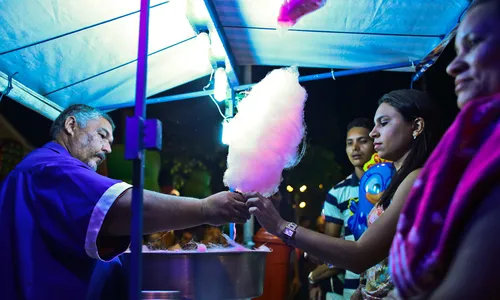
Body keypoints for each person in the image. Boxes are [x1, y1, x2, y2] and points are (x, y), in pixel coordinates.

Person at [0, 104, 250, 300]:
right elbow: (126, 207)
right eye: (102, 135)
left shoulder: (37, 166)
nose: (108, 148)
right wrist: (205, 208)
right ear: (71, 125)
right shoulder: (52, 167)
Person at [247, 89, 438, 299]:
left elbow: (361, 254)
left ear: (417, 126)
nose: (374, 132)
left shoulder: (417, 178)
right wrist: (363, 288)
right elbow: (384, 257)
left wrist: (282, 227)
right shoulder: (394, 180)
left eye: (383, 123)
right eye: (375, 124)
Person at [388, 0, 500, 298]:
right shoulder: (471, 145)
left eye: (474, 43)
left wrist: (283, 227)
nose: (452, 66)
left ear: (417, 126)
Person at [309, 117, 375, 300]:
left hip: (389, 285)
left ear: (375, 143)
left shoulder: (393, 185)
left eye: (362, 141)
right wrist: (317, 278)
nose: (355, 148)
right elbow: (332, 249)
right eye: (349, 143)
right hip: (351, 288)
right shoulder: (337, 193)